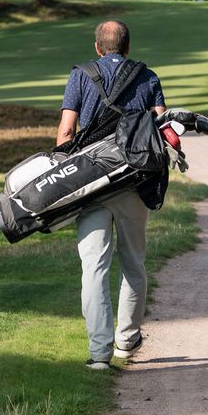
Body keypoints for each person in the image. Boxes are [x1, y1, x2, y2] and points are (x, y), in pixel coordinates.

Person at [57, 20, 166, 370]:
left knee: (94, 268)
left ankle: (99, 354)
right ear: (128, 47)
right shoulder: (148, 77)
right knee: (133, 262)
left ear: (97, 47)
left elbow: (66, 131)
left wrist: (66, 176)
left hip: (90, 183)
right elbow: (161, 131)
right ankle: (127, 340)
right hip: (133, 181)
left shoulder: (80, 75)